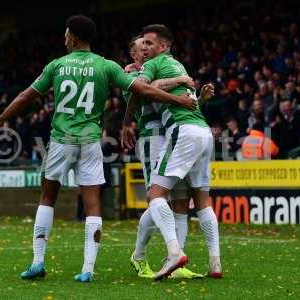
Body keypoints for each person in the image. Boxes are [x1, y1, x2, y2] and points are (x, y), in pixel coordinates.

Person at [0, 15, 195, 283]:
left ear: (72, 36)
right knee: (92, 202)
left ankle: (37, 262)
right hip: (91, 141)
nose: (64, 37)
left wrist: (2, 118)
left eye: (66, 33)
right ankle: (87, 269)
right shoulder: (106, 66)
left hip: (61, 139)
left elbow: (27, 95)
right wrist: (175, 98)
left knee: (48, 197)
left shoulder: (57, 65)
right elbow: (143, 89)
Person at [122, 24, 221, 280]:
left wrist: (198, 97)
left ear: (161, 46)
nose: (144, 49)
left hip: (176, 134)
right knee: (160, 199)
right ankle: (140, 254)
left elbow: (185, 101)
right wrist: (178, 83)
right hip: (153, 138)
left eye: (148, 44)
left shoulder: (160, 65)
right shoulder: (132, 75)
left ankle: (177, 258)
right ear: (133, 55)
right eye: (140, 47)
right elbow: (143, 91)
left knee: (177, 201)